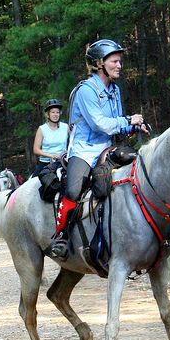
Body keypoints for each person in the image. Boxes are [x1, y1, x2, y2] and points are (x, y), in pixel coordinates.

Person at [46, 38, 147, 260]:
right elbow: (99, 123)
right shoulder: (86, 90)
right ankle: (61, 236)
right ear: (100, 63)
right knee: (73, 190)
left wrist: (132, 127)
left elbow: (115, 125)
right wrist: (128, 119)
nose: (119, 65)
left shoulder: (115, 90)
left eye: (120, 61)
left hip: (107, 147)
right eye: (114, 61)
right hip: (84, 150)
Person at [32, 99, 69, 178]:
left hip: (62, 162)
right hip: (45, 163)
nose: (55, 114)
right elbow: (36, 150)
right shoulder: (42, 129)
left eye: (57, 112)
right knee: (31, 185)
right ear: (47, 114)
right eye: (53, 112)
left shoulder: (65, 127)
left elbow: (73, 141)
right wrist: (51, 156)